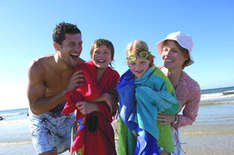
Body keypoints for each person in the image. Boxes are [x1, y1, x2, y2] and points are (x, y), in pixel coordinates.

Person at [27, 22, 117, 155]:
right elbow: (35, 107)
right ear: (57, 46)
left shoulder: (82, 67)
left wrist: (107, 97)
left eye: (80, 44)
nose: (78, 49)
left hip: (67, 115)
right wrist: (66, 91)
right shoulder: (39, 67)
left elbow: (99, 89)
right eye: (72, 44)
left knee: (79, 149)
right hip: (43, 117)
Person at [117, 40, 180, 155]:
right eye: (133, 63)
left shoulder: (158, 77)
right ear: (127, 63)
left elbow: (172, 104)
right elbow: (123, 107)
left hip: (159, 132)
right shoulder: (125, 80)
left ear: (149, 59)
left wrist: (144, 93)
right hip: (132, 133)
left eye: (142, 62)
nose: (138, 67)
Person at [62, 39, 120, 155]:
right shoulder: (83, 69)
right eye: (97, 52)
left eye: (105, 52)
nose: (101, 56)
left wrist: (95, 107)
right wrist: (104, 97)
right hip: (84, 123)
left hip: (104, 125)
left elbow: (113, 105)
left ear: (112, 57)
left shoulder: (114, 76)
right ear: (91, 55)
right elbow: (75, 97)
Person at [156, 31, 201, 155]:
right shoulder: (151, 73)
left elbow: (190, 118)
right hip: (144, 129)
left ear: (186, 56)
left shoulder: (192, 88)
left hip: (168, 134)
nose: (166, 54)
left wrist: (173, 119)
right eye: (165, 49)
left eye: (174, 51)